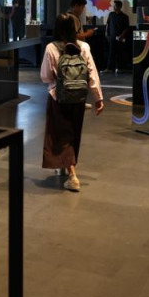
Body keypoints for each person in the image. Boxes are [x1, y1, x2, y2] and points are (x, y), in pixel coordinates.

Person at [41, 12, 104, 191]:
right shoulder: (84, 47)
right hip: (79, 98)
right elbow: (92, 74)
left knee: (61, 134)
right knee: (73, 133)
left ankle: (72, 176)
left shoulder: (51, 48)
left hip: (58, 97)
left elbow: (45, 76)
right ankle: (65, 166)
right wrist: (98, 98)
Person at [105, 0, 131, 72]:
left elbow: (126, 28)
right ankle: (110, 68)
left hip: (120, 38)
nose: (114, 7)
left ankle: (120, 68)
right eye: (114, 5)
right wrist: (106, 33)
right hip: (112, 37)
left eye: (115, 6)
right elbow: (108, 24)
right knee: (111, 53)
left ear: (119, 7)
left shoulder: (125, 16)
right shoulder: (111, 14)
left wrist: (121, 36)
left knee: (120, 53)